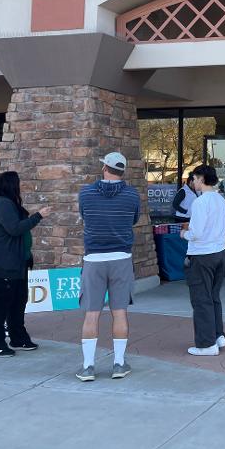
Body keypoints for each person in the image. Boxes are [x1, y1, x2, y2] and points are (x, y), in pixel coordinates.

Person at [75, 152, 141, 382]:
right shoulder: (132, 195)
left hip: (94, 259)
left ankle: (88, 366)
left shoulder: (86, 193)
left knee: (91, 313)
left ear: (105, 168)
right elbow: (133, 219)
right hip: (121, 258)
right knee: (119, 312)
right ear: (122, 171)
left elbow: (84, 216)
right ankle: (119, 363)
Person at [0, 171, 50, 357]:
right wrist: (38, 216)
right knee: (1, 302)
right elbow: (15, 229)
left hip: (16, 261)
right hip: (1, 261)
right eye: (20, 183)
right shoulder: (2, 204)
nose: (22, 186)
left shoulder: (9, 203)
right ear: (11, 185)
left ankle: (18, 337)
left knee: (18, 300)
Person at [180, 165, 225, 356]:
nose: (193, 182)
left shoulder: (200, 202)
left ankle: (207, 344)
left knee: (201, 300)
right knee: (213, 296)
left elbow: (197, 233)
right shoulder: (220, 199)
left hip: (202, 255)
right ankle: (218, 335)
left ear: (201, 178)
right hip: (220, 251)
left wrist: (184, 234)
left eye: (194, 178)